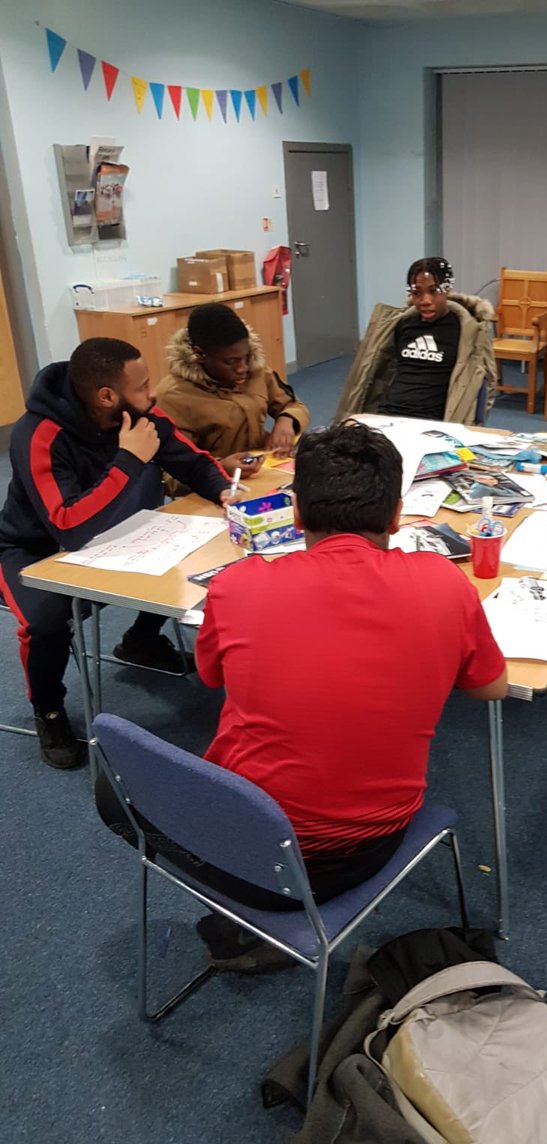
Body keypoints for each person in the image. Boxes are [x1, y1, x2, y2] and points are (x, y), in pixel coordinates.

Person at [188, 421, 507, 969]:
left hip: (232, 843)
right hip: (362, 851)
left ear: (295, 512)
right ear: (397, 515)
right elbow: (491, 687)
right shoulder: (444, 583)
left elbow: (210, 675)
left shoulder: (237, 584)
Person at [0, 337, 234, 769]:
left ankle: (141, 640)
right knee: (46, 623)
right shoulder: (38, 434)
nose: (153, 394)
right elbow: (68, 527)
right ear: (107, 396)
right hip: (34, 549)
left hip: (121, 535)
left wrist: (224, 492)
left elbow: (195, 463)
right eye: (142, 386)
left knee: (196, 555)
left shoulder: (141, 414)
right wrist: (128, 460)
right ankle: (48, 710)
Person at [155, 302, 310, 479]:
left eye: (246, 356)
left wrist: (286, 420)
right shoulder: (172, 396)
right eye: (230, 362)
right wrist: (219, 468)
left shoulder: (256, 370)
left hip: (261, 470)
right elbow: (170, 473)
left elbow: (293, 405)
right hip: (215, 485)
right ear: (199, 354)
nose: (242, 368)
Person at [336, 257, 496, 425]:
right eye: (417, 293)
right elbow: (373, 373)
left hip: (433, 422)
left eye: (434, 291)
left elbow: (488, 385)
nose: (425, 301)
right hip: (387, 414)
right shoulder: (401, 324)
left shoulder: (467, 331)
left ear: (447, 289)